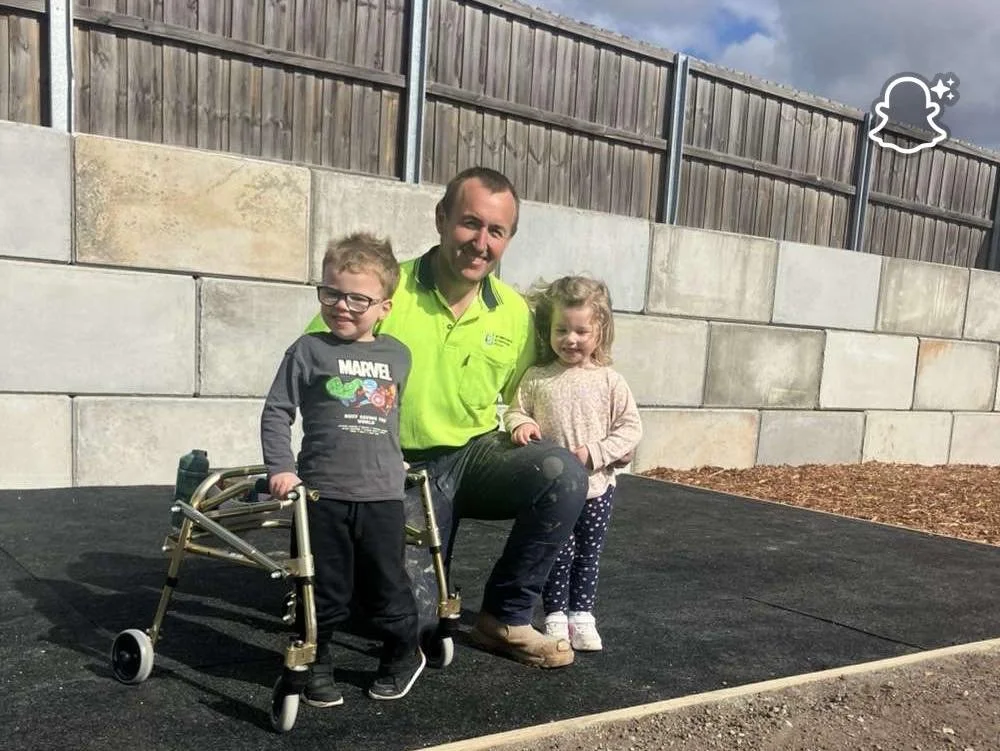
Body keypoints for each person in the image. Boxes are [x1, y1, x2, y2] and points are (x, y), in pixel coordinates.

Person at [304, 167, 588, 669]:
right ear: (441, 218)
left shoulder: (514, 313)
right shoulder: (383, 292)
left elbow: (524, 397)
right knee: (417, 627)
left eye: (496, 231)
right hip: (397, 468)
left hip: (473, 458)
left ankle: (505, 617)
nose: (481, 243)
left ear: (508, 238)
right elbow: (317, 366)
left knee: (563, 475)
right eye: (470, 223)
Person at [261, 232, 425, 707]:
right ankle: (316, 659)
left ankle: (402, 652)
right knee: (320, 588)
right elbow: (277, 412)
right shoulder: (308, 351)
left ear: (385, 307)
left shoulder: (398, 355)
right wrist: (281, 467)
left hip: (382, 496)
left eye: (358, 298)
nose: (342, 306)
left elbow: (389, 417)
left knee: (386, 585)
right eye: (331, 293)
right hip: (320, 496)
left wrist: (395, 458)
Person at [503, 276, 643, 652]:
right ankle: (554, 616)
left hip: (597, 488)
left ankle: (582, 615)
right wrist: (521, 424)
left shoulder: (610, 381)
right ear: (547, 330)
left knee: (587, 554)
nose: (571, 339)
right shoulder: (537, 378)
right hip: (553, 492)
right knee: (556, 552)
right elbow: (515, 411)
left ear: (600, 332)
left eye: (582, 331)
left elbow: (630, 429)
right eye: (561, 330)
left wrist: (596, 453)